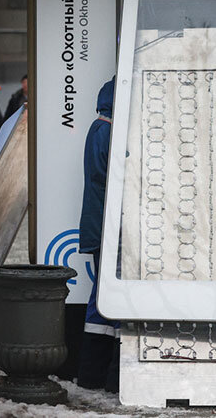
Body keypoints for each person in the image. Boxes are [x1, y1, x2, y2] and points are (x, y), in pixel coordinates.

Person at [77, 77, 120, 393]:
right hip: (109, 230)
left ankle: (94, 376)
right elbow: (115, 180)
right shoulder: (108, 132)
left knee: (102, 300)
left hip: (98, 227)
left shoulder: (98, 128)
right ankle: (104, 377)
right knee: (108, 301)